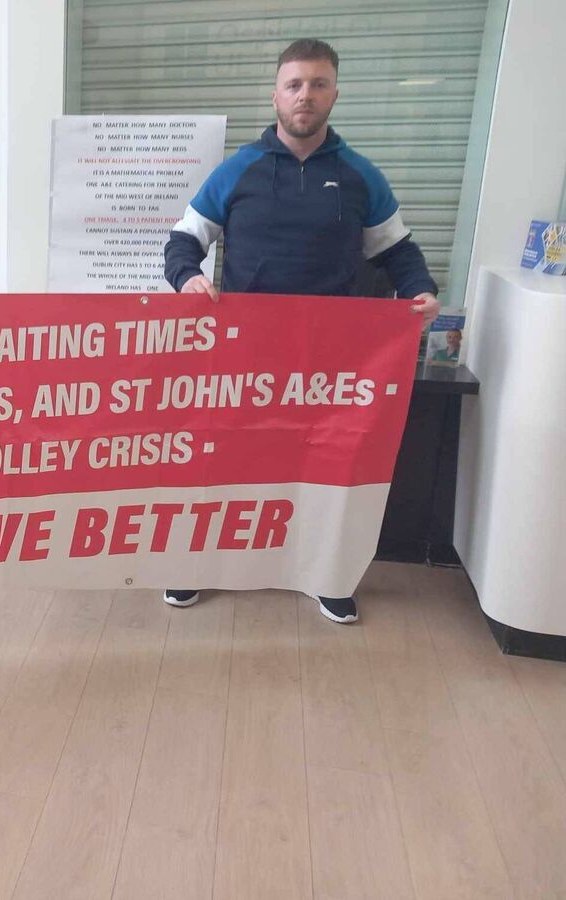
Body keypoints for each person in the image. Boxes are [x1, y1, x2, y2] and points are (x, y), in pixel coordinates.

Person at [160, 38, 440, 624]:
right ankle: (195, 565)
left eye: (317, 84)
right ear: (276, 94)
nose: (304, 96)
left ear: (335, 92)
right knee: (223, 460)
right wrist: (187, 279)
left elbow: (400, 253)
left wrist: (420, 292)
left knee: (321, 469)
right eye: (294, 84)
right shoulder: (239, 169)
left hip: (330, 359)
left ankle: (325, 576)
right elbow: (185, 241)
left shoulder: (362, 176)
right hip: (241, 355)